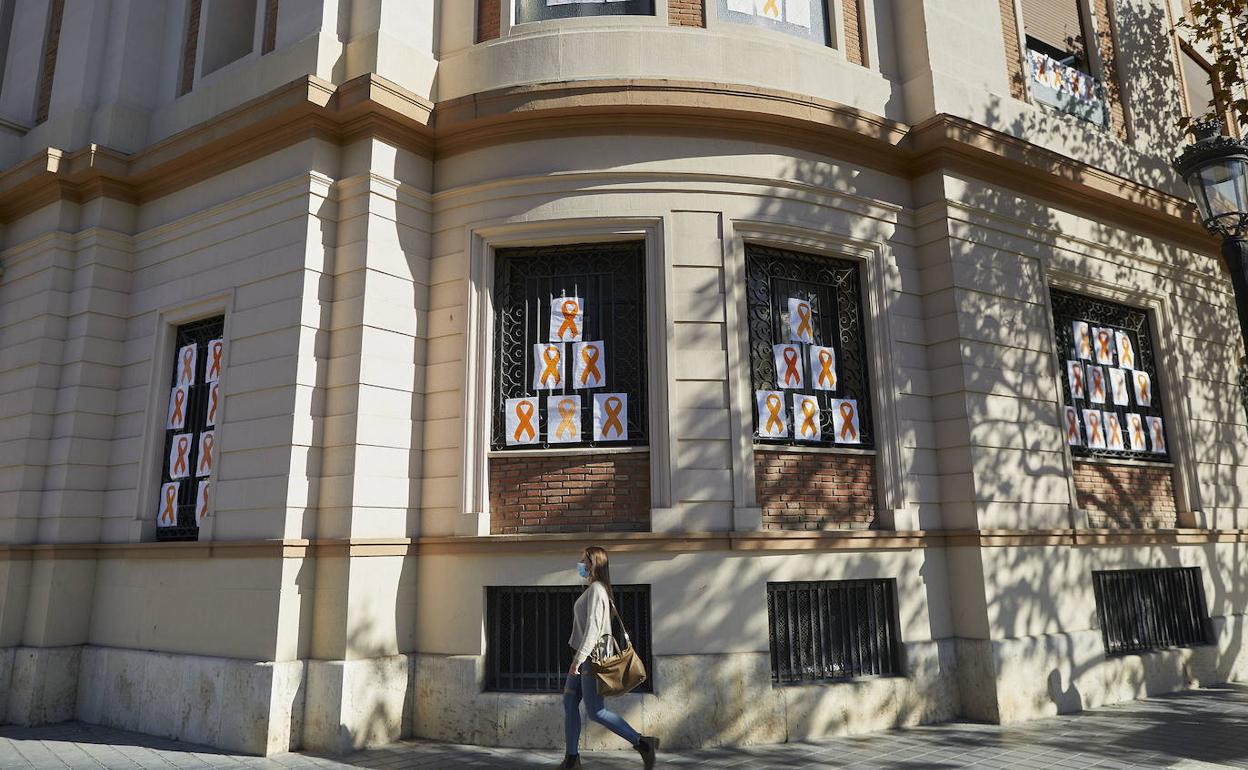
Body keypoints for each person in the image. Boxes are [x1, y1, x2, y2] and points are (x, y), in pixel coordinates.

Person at [558, 546, 659, 770]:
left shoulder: (596, 589)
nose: (580, 564)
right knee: (569, 701)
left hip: (590, 659)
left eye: (583, 560)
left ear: (593, 564)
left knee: (596, 711)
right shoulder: (596, 589)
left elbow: (593, 629)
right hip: (584, 657)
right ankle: (572, 759)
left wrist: (578, 660)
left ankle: (642, 743)